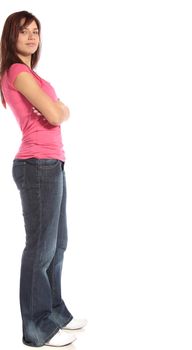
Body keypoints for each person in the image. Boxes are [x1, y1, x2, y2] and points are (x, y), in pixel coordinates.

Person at [0, 10, 87, 347]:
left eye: (35, 31)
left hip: (52, 162)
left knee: (58, 245)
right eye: (24, 31)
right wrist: (57, 108)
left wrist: (57, 109)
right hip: (37, 164)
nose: (32, 37)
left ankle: (55, 313)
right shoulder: (17, 71)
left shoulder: (31, 75)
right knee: (40, 248)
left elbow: (58, 112)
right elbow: (56, 112)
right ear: (11, 37)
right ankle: (36, 328)